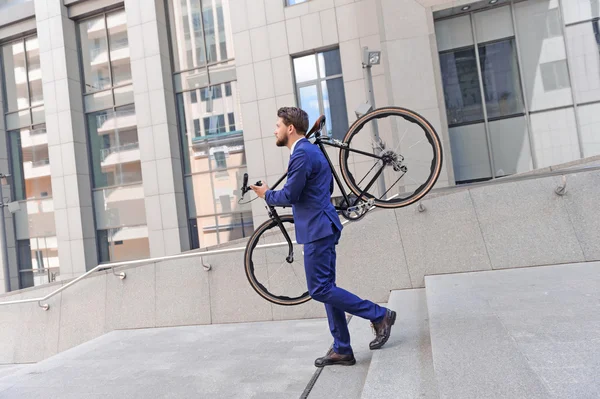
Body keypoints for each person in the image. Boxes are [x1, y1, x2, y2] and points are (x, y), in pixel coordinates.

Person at [251, 107, 396, 367]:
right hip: (321, 227)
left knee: (320, 289)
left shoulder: (302, 154)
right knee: (327, 288)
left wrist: (266, 194)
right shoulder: (308, 152)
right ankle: (342, 348)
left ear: (290, 128)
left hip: (318, 229)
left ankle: (379, 314)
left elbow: (291, 196)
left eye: (278, 125)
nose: (275, 130)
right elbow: (321, 188)